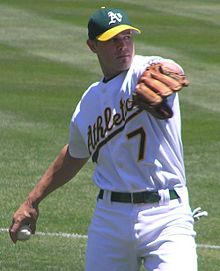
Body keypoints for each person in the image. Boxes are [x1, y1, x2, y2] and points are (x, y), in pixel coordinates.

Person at [9, 7, 198, 271]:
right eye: (112, 40)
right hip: (110, 219)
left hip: (167, 216)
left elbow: (167, 67)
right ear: (92, 46)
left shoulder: (144, 70)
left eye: (127, 37)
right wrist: (31, 202)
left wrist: (165, 69)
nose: (123, 46)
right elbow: (75, 154)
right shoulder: (89, 102)